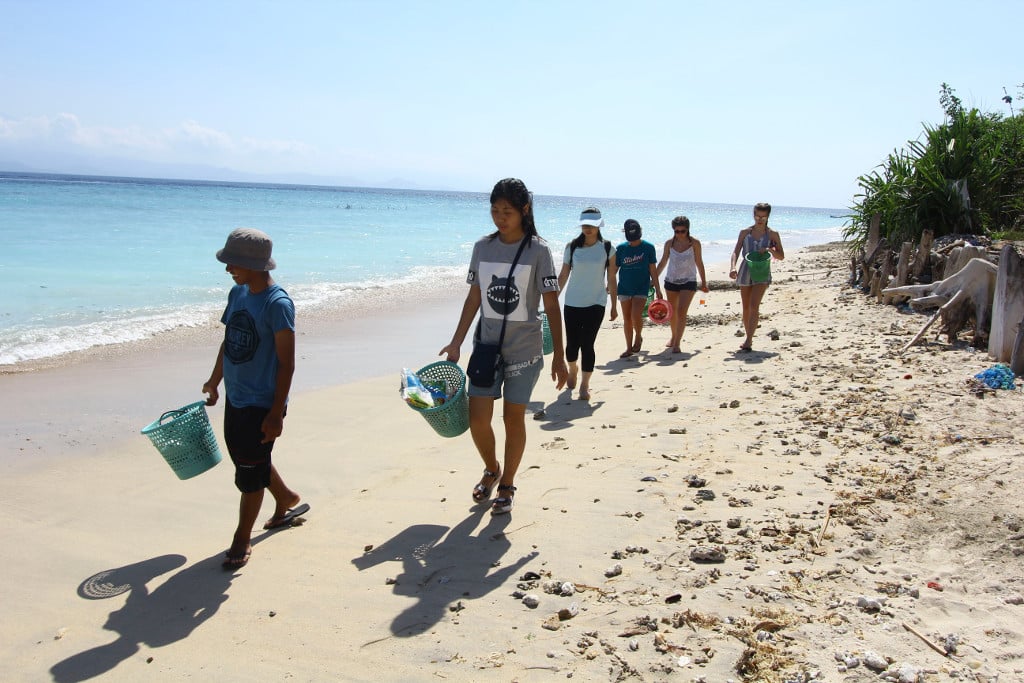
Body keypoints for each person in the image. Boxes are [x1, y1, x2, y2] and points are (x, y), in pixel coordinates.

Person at [440, 178, 568, 516]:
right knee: (478, 418)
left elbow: (552, 305)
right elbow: (473, 297)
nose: (499, 217)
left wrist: (560, 357)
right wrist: (456, 342)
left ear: (524, 210)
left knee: (513, 419)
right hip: (486, 347)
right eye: (495, 211)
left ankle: (508, 483)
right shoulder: (483, 248)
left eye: (507, 212)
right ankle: (491, 468)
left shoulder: (538, 251)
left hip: (525, 351)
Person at [202, 228, 304, 570]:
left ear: (257, 266)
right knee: (248, 458)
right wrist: (215, 380)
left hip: (262, 401)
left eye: (235, 263)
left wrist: (276, 413)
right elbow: (228, 340)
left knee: (248, 470)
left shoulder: (278, 305)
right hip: (236, 396)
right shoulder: (238, 293)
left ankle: (241, 538)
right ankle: (286, 497)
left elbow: (287, 363)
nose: (229, 268)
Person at [556, 207, 618, 400]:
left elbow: (612, 279)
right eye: (585, 225)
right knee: (572, 344)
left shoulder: (608, 248)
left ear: (599, 225)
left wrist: (614, 305)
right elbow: (564, 274)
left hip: (596, 303)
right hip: (573, 302)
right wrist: (552, 298)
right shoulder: (572, 247)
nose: (588, 229)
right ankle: (573, 369)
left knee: (587, 343)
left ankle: (585, 384)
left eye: (591, 225)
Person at [729, 202, 785, 351]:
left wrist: (769, 250)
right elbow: (735, 251)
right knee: (746, 307)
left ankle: (748, 339)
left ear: (768, 217)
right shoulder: (745, 232)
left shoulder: (772, 234)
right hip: (746, 269)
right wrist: (733, 267)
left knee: (754, 306)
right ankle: (748, 336)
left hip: (762, 271)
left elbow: (781, 256)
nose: (759, 219)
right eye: (757, 216)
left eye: (763, 217)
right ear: (753, 214)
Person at [654, 216, 708, 353]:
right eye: (676, 231)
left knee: (682, 311)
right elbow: (662, 263)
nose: (679, 234)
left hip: (689, 280)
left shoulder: (694, 243)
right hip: (671, 280)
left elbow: (699, 263)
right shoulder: (669, 244)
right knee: (672, 313)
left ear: (688, 229)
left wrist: (704, 282)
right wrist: (653, 280)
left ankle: (677, 343)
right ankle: (674, 337)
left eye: (682, 231)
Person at [615, 219, 662, 358]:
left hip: (642, 287)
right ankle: (628, 348)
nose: (634, 242)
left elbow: (652, 269)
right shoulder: (621, 248)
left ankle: (638, 336)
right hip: (624, 287)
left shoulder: (648, 247)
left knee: (636, 315)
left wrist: (658, 289)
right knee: (627, 318)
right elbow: (615, 268)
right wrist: (609, 284)